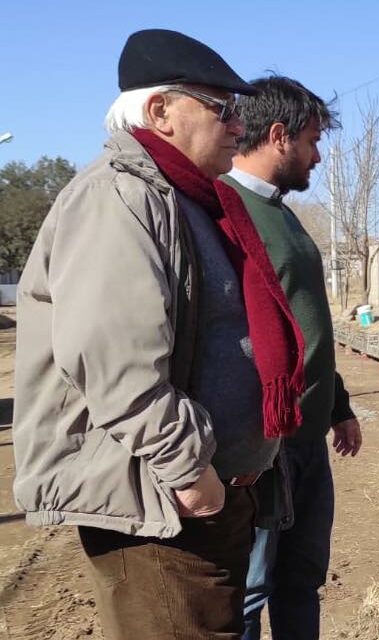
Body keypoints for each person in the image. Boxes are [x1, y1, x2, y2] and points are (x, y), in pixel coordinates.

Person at [12, 29, 307, 638]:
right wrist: (195, 477)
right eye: (224, 109)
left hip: (198, 500)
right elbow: (117, 368)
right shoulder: (117, 199)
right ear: (160, 111)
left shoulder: (192, 200)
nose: (237, 125)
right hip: (160, 510)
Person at [224, 75, 363, 640]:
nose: (318, 155)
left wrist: (338, 405)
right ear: (279, 136)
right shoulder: (225, 211)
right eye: (312, 140)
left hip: (305, 436)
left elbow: (305, 325)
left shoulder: (281, 213)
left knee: (301, 578)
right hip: (263, 444)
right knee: (251, 586)